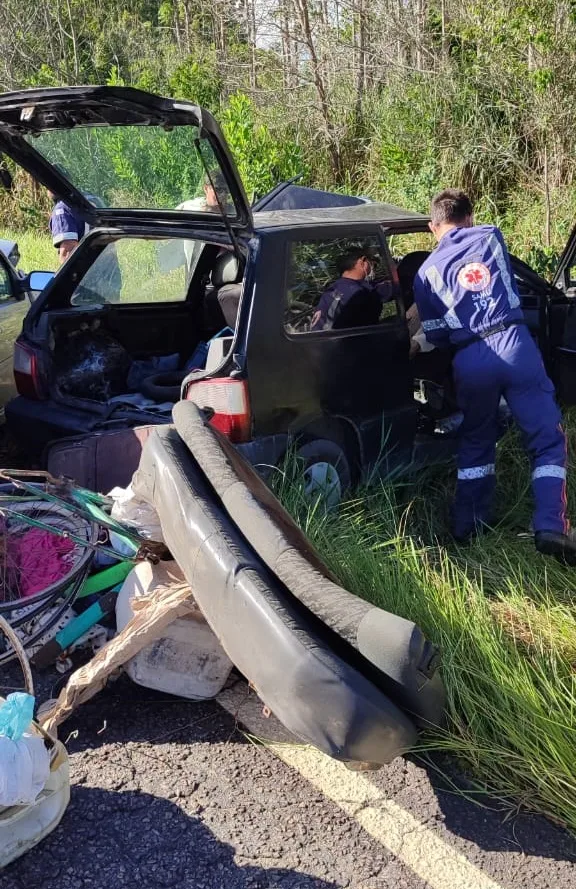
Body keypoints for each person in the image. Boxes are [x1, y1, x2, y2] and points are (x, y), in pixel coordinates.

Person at [413, 188, 576, 562]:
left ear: (431, 227)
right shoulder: (490, 235)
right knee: (546, 440)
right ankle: (551, 525)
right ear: (469, 217)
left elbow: (437, 335)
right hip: (515, 344)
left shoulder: (425, 273)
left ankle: (467, 527)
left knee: (475, 442)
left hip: (470, 358)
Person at [311, 246, 393, 331]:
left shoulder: (331, 291)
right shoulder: (360, 292)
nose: (373, 269)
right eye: (373, 265)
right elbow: (389, 289)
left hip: (324, 342)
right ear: (362, 261)